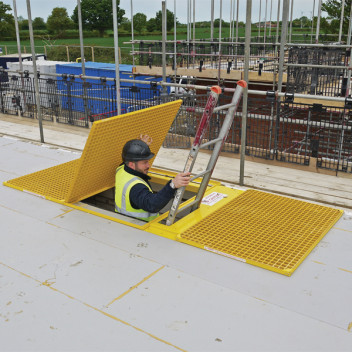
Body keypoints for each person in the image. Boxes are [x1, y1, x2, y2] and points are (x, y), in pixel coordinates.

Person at [115, 135, 191, 222]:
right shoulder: (136, 187)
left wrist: (139, 148)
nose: (148, 165)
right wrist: (172, 185)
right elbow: (152, 205)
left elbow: (128, 156)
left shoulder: (121, 170)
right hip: (140, 228)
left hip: (123, 222)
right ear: (132, 164)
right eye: (144, 162)